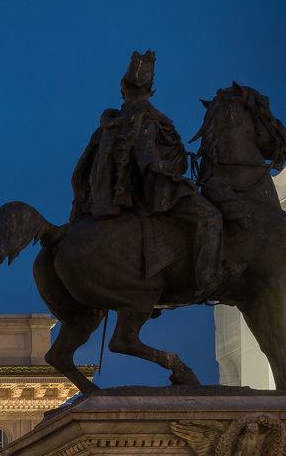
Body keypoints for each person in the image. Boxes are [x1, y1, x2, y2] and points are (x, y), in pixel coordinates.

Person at [70, 50, 230, 296]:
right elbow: (148, 158)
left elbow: (81, 171)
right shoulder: (145, 118)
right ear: (149, 90)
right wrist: (170, 173)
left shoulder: (110, 122)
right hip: (156, 190)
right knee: (210, 217)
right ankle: (208, 278)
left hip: (120, 196)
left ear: (123, 90)